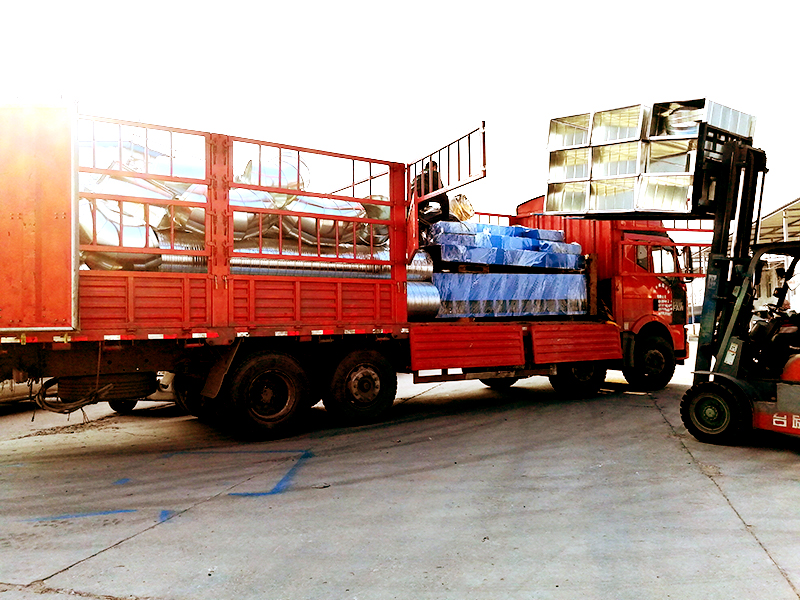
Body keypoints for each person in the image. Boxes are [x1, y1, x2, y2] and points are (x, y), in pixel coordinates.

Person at [414, 161, 451, 241]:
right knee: (444, 198)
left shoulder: (418, 175)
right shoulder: (433, 174)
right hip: (424, 194)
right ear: (433, 167)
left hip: (415, 198)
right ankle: (446, 222)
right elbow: (440, 189)